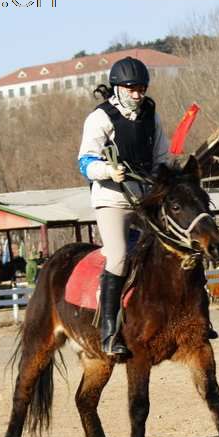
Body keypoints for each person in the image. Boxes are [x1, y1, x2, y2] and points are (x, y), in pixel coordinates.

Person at [77, 56, 175, 356]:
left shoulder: (151, 113)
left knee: (177, 245)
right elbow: (85, 162)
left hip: (145, 198)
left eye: (141, 88)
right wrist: (108, 171)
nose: (138, 94)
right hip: (112, 199)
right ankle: (108, 330)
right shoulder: (100, 118)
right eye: (131, 89)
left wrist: (170, 174)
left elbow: (161, 156)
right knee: (119, 255)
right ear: (117, 88)